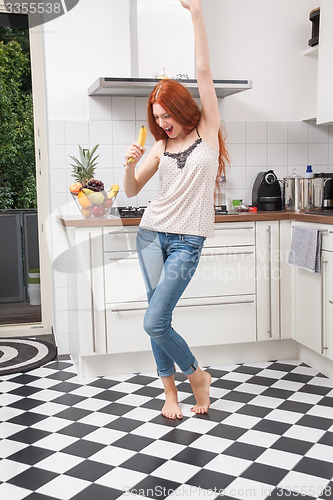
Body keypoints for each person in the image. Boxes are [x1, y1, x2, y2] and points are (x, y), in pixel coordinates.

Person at [123, 0, 229, 419]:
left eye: (167, 114)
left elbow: (204, 71)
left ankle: (196, 375)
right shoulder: (160, 146)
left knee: (154, 320)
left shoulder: (207, 129)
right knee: (156, 315)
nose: (162, 122)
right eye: (156, 117)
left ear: (182, 108)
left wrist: (197, 12)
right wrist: (130, 164)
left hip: (188, 240)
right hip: (151, 234)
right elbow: (132, 190)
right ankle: (171, 393)